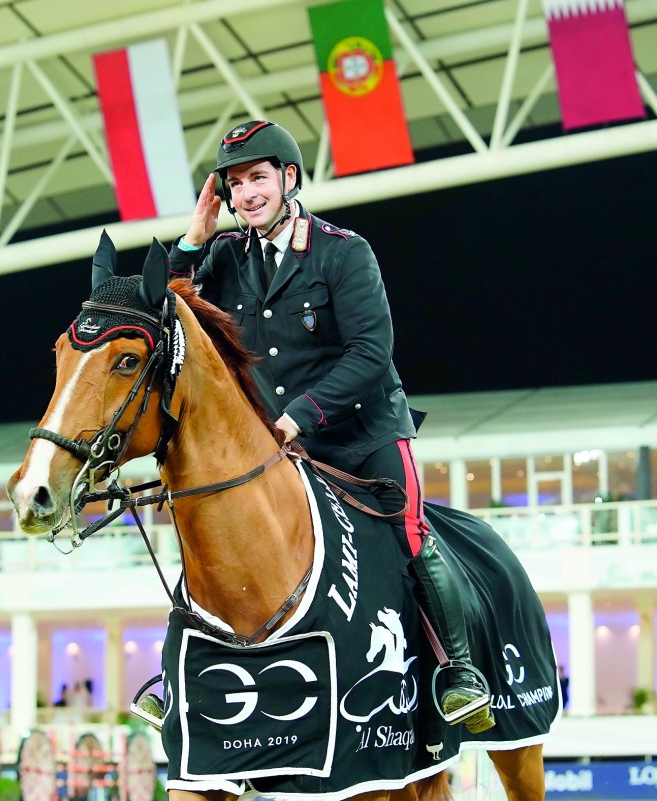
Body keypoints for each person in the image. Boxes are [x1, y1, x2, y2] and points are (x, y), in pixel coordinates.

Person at [164, 119, 493, 732]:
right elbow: (159, 312)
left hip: (363, 433)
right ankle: (179, 680)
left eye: (258, 178)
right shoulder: (224, 256)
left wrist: (297, 418)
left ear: (288, 177)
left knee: (409, 534)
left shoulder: (344, 250)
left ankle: (460, 671)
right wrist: (191, 239)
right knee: (218, 534)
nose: (246, 194)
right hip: (282, 446)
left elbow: (371, 352)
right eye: (235, 185)